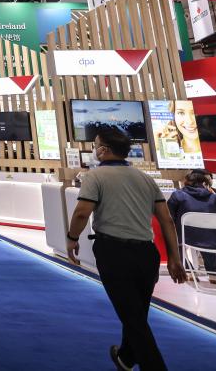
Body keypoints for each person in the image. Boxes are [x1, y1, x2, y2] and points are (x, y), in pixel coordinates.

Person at [66, 128, 187, 371]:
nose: (94, 150)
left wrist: (72, 238)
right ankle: (126, 358)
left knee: (133, 319)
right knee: (136, 313)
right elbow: (166, 220)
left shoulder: (95, 176)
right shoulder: (145, 178)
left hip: (114, 252)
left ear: (103, 150)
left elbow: (81, 212)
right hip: (147, 255)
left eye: (95, 145)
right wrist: (175, 258)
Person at [168, 169, 216, 284]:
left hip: (186, 239)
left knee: (175, 238)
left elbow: (168, 216)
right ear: (205, 184)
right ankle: (213, 274)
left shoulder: (178, 195)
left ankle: (189, 271)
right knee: (207, 233)